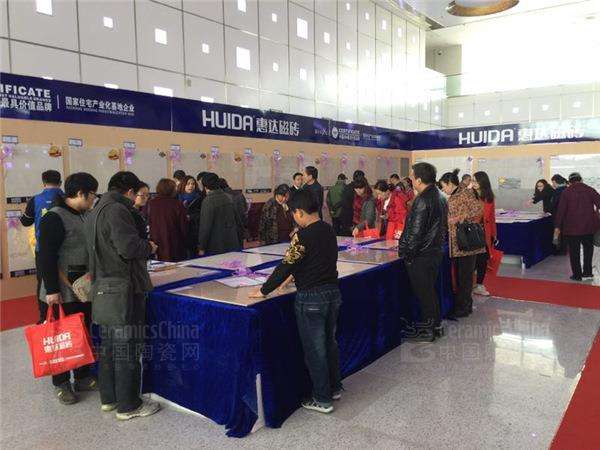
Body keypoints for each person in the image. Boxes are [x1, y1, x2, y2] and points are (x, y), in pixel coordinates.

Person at [249, 190, 342, 414]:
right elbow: (313, 260)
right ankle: (334, 387)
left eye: (293, 214)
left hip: (311, 298)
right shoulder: (328, 229)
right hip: (332, 293)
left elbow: (287, 264)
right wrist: (290, 278)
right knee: (329, 344)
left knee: (315, 350)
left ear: (299, 212)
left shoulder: (303, 236)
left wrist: (264, 290)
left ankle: (322, 399)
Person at [85, 171, 160, 420]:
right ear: (129, 191)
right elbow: (128, 248)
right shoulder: (118, 210)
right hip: (123, 288)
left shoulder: (95, 210)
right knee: (128, 346)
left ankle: (109, 398)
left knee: (108, 346)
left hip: (103, 285)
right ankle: (129, 405)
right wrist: (148, 246)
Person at [38, 172, 99, 405]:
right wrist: (52, 290)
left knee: (81, 332)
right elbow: (46, 257)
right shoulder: (54, 217)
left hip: (82, 287)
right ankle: (61, 382)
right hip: (61, 290)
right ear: (81, 193)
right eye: (92, 194)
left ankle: (82, 376)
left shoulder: (85, 214)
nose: (93, 199)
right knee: (61, 336)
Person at [397, 162, 448, 342]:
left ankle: (428, 331)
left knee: (424, 294)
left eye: (412, 177)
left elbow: (415, 233)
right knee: (429, 293)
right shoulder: (440, 196)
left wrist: (406, 252)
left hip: (422, 255)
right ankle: (436, 326)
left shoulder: (422, 200)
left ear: (419, 180)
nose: (411, 180)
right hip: (434, 251)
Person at [439, 170, 485, 318]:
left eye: (443, 186)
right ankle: (465, 305)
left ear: (450, 184)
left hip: (466, 242)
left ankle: (463, 308)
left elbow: (478, 209)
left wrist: (459, 218)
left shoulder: (465, 193)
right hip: (458, 243)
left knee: (465, 278)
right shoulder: (455, 194)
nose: (443, 190)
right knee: (460, 277)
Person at [20, 169, 63, 322]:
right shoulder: (67, 198)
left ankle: (45, 317)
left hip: (43, 250)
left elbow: (25, 222)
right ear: (60, 182)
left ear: (44, 183)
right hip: (65, 249)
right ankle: (65, 318)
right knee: (66, 282)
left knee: (44, 283)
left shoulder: (35, 200)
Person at [554, 172, 600, 281]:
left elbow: (561, 211)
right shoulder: (590, 190)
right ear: (581, 179)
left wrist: (557, 226)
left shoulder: (566, 192)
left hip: (571, 228)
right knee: (588, 251)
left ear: (570, 181)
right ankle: (587, 273)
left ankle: (577, 275)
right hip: (588, 227)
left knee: (574, 252)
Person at [197, 173, 243, 255]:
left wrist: (201, 247)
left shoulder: (208, 201)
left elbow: (205, 227)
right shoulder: (229, 197)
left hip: (215, 245)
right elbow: (238, 221)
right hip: (232, 242)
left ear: (205, 187)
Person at [147, 178, 189, 262]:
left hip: (155, 243)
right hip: (175, 243)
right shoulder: (177, 204)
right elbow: (184, 227)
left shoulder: (150, 203)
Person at [472, 171, 497, 296]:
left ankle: (479, 285)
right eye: (473, 180)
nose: (474, 183)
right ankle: (468, 285)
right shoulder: (469, 195)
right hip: (471, 233)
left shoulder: (489, 197)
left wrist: (494, 234)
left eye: (476, 181)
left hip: (484, 234)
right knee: (471, 262)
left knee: (482, 261)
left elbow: (491, 217)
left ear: (483, 182)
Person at [177, 176, 202, 257]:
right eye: (188, 184)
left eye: (193, 184)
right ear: (183, 185)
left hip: (194, 231)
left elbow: (202, 214)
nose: (191, 186)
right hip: (180, 231)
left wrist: (191, 217)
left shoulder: (200, 198)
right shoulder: (177, 197)